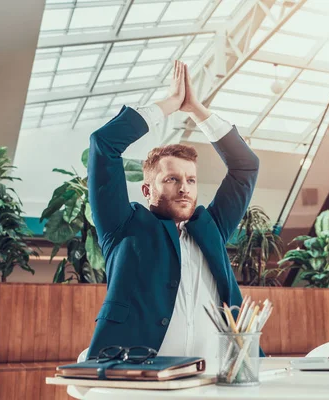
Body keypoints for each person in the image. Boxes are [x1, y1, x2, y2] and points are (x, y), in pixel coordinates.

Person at [86, 60, 260, 370]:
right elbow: (104, 144)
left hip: (217, 374)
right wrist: (170, 104)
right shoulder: (123, 227)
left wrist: (197, 111)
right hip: (139, 376)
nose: (184, 188)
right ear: (147, 190)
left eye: (191, 180)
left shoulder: (212, 228)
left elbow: (245, 165)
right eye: (171, 179)